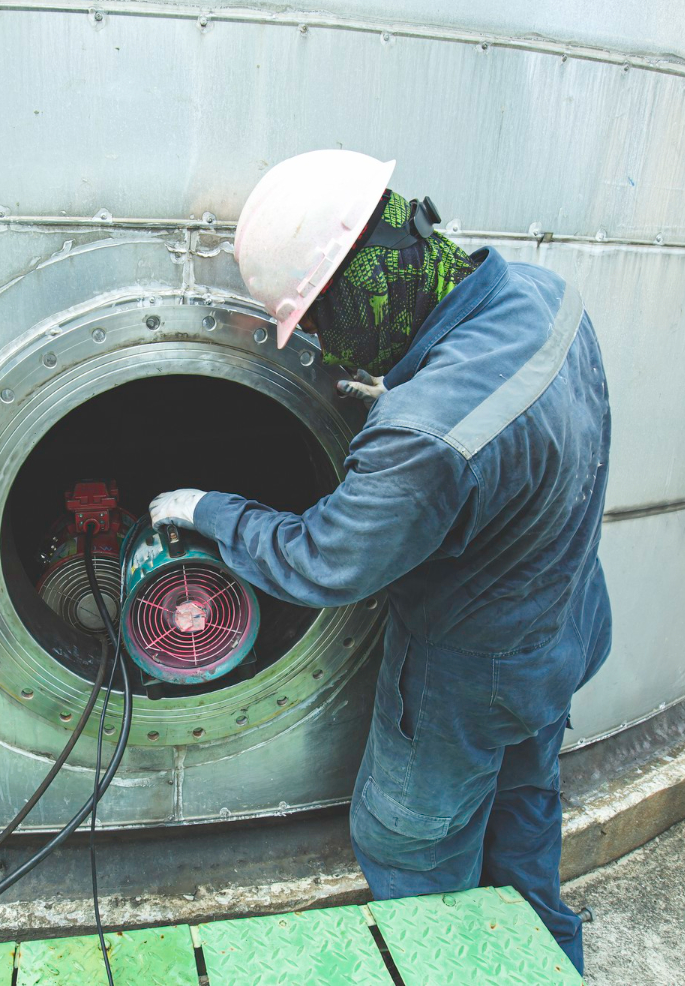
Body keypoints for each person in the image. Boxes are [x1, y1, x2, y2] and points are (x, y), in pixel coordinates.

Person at [148, 149, 612, 973]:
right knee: (524, 823)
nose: (324, 350)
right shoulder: (550, 297)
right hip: (563, 629)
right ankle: (551, 964)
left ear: (357, 286)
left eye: (318, 323)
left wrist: (208, 510)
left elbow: (326, 562)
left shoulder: (422, 435)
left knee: (414, 853)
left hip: (469, 680)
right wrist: (407, 390)